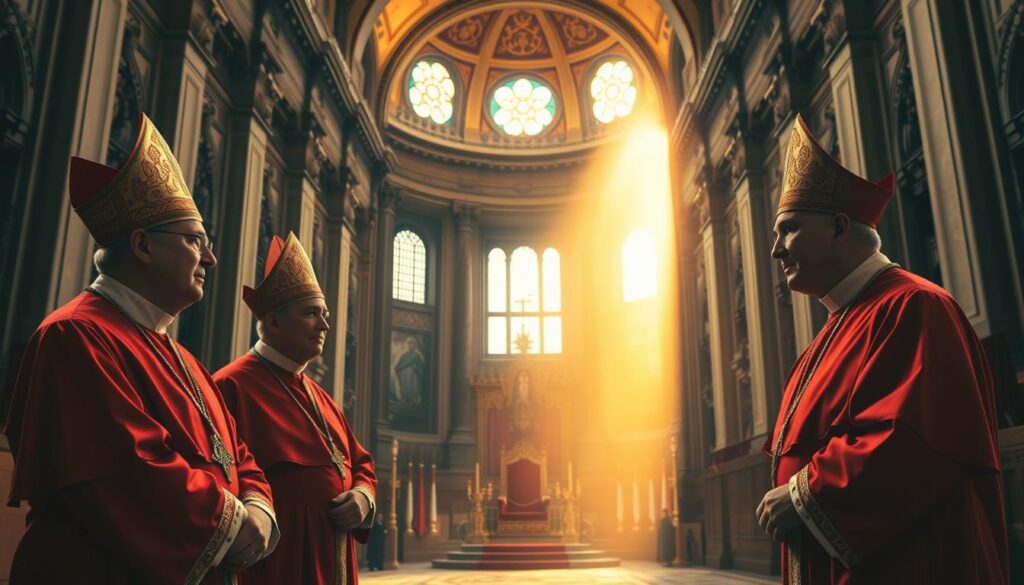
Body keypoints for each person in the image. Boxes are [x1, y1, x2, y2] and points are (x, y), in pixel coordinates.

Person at [3, 113, 279, 584]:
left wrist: (258, 508)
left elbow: (238, 455)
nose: (210, 258)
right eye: (196, 241)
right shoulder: (76, 336)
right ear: (142, 245)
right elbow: (129, 471)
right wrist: (236, 525)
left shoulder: (184, 358)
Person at [756, 114, 1009, 583]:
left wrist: (803, 495)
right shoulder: (831, 333)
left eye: (788, 229)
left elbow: (914, 441)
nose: (777, 250)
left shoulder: (915, 306)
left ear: (837, 227)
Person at [215, 232, 377, 585]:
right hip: (277, 568)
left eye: (325, 314)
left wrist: (363, 498)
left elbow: (361, 464)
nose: (324, 325)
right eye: (311, 314)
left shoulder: (322, 398)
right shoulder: (231, 386)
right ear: (272, 322)